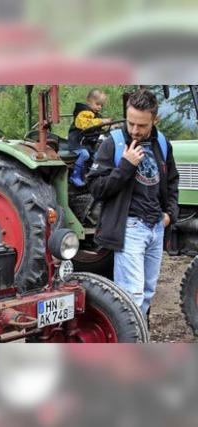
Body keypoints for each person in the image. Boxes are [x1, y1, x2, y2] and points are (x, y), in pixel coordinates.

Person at [87, 89, 179, 318]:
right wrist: (126, 166)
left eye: (142, 125)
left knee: (147, 294)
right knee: (131, 296)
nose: (135, 131)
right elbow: (97, 188)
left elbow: (172, 182)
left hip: (156, 226)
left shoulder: (162, 144)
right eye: (131, 124)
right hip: (130, 228)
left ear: (154, 120)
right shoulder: (113, 144)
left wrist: (170, 214)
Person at [68, 89, 114, 187]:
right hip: (77, 143)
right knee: (84, 155)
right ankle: (75, 176)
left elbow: (98, 126)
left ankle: (92, 176)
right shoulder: (83, 113)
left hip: (88, 143)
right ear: (89, 101)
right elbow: (85, 124)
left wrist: (112, 125)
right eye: (97, 104)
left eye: (101, 105)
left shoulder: (95, 114)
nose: (99, 107)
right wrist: (102, 121)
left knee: (98, 155)